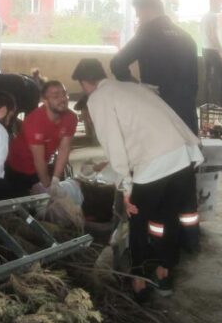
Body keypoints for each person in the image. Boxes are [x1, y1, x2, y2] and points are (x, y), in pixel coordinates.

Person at [72, 58, 203, 301]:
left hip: (154, 163)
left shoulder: (98, 98)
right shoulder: (132, 87)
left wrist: (126, 187)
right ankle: (164, 274)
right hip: (183, 156)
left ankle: (139, 281)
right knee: (168, 216)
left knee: (138, 221)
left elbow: (113, 144)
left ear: (84, 83)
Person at [111, 0, 200, 134]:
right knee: (189, 148)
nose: (139, 19)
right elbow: (194, 82)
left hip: (158, 109)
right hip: (186, 113)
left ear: (146, 10)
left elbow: (117, 64)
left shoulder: (147, 33)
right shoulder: (188, 38)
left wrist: (137, 86)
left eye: (138, 14)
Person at [5, 80, 77, 195]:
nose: (62, 99)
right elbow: (39, 160)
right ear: (45, 101)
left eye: (64, 94)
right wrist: (47, 186)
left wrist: (55, 180)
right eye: (56, 96)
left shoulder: (71, 117)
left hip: (43, 164)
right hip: (18, 167)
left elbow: (64, 149)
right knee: (28, 200)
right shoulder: (34, 121)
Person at [200, 0, 222, 106]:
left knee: (207, 78)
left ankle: (206, 104)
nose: (221, 7)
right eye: (219, 5)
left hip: (205, 49)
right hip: (212, 50)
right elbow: (214, 36)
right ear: (213, 4)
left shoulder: (204, 17)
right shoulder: (213, 17)